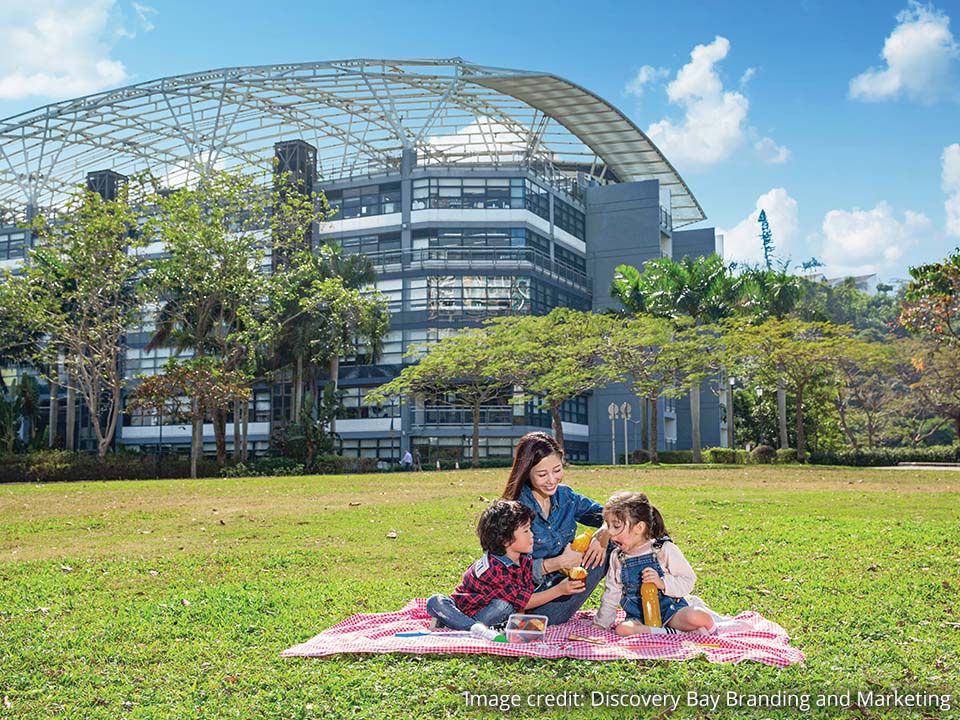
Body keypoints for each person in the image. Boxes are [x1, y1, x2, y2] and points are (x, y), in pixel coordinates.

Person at [501, 431, 610, 626]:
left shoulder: (565, 496)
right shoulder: (514, 510)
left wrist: (604, 531)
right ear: (526, 472)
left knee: (616, 546)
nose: (552, 479)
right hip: (532, 599)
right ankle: (530, 621)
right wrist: (559, 562)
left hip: (566, 583)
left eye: (557, 470)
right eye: (542, 474)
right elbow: (506, 571)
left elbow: (611, 514)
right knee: (533, 620)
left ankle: (652, 608)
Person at [426, 499, 585, 631]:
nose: (532, 535)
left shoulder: (522, 558)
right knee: (436, 601)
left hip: (486, 612)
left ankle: (455, 624)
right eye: (526, 531)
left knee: (509, 609)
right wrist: (559, 590)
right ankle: (470, 628)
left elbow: (523, 591)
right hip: (468, 610)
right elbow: (524, 601)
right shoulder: (495, 568)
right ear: (505, 540)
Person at [593, 491, 716, 636]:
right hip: (639, 618)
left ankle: (704, 630)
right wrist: (601, 623)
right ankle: (677, 634)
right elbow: (611, 593)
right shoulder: (617, 557)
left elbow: (688, 579)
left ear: (639, 528)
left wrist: (662, 583)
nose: (611, 533)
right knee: (622, 629)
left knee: (698, 616)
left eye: (616, 526)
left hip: (672, 613)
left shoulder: (663, 550)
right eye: (608, 525)